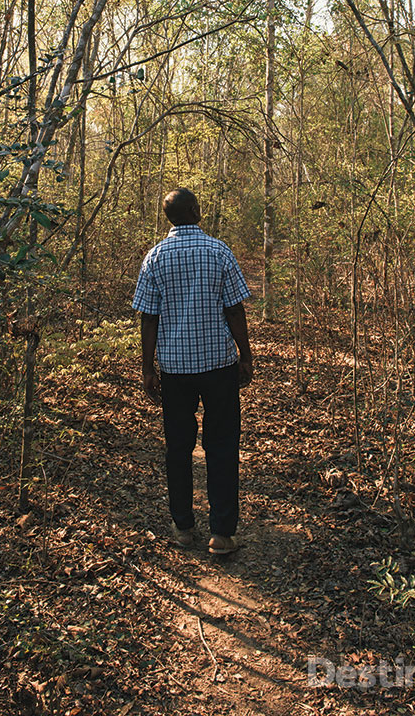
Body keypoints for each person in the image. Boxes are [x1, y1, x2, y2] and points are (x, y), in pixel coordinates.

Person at [132, 188, 253, 555]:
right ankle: (221, 533)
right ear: (196, 212)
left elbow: (148, 317)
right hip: (218, 365)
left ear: (169, 218)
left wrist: (147, 367)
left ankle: (183, 527)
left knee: (178, 447)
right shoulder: (219, 252)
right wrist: (245, 355)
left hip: (174, 370)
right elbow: (234, 310)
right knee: (222, 445)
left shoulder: (155, 258)